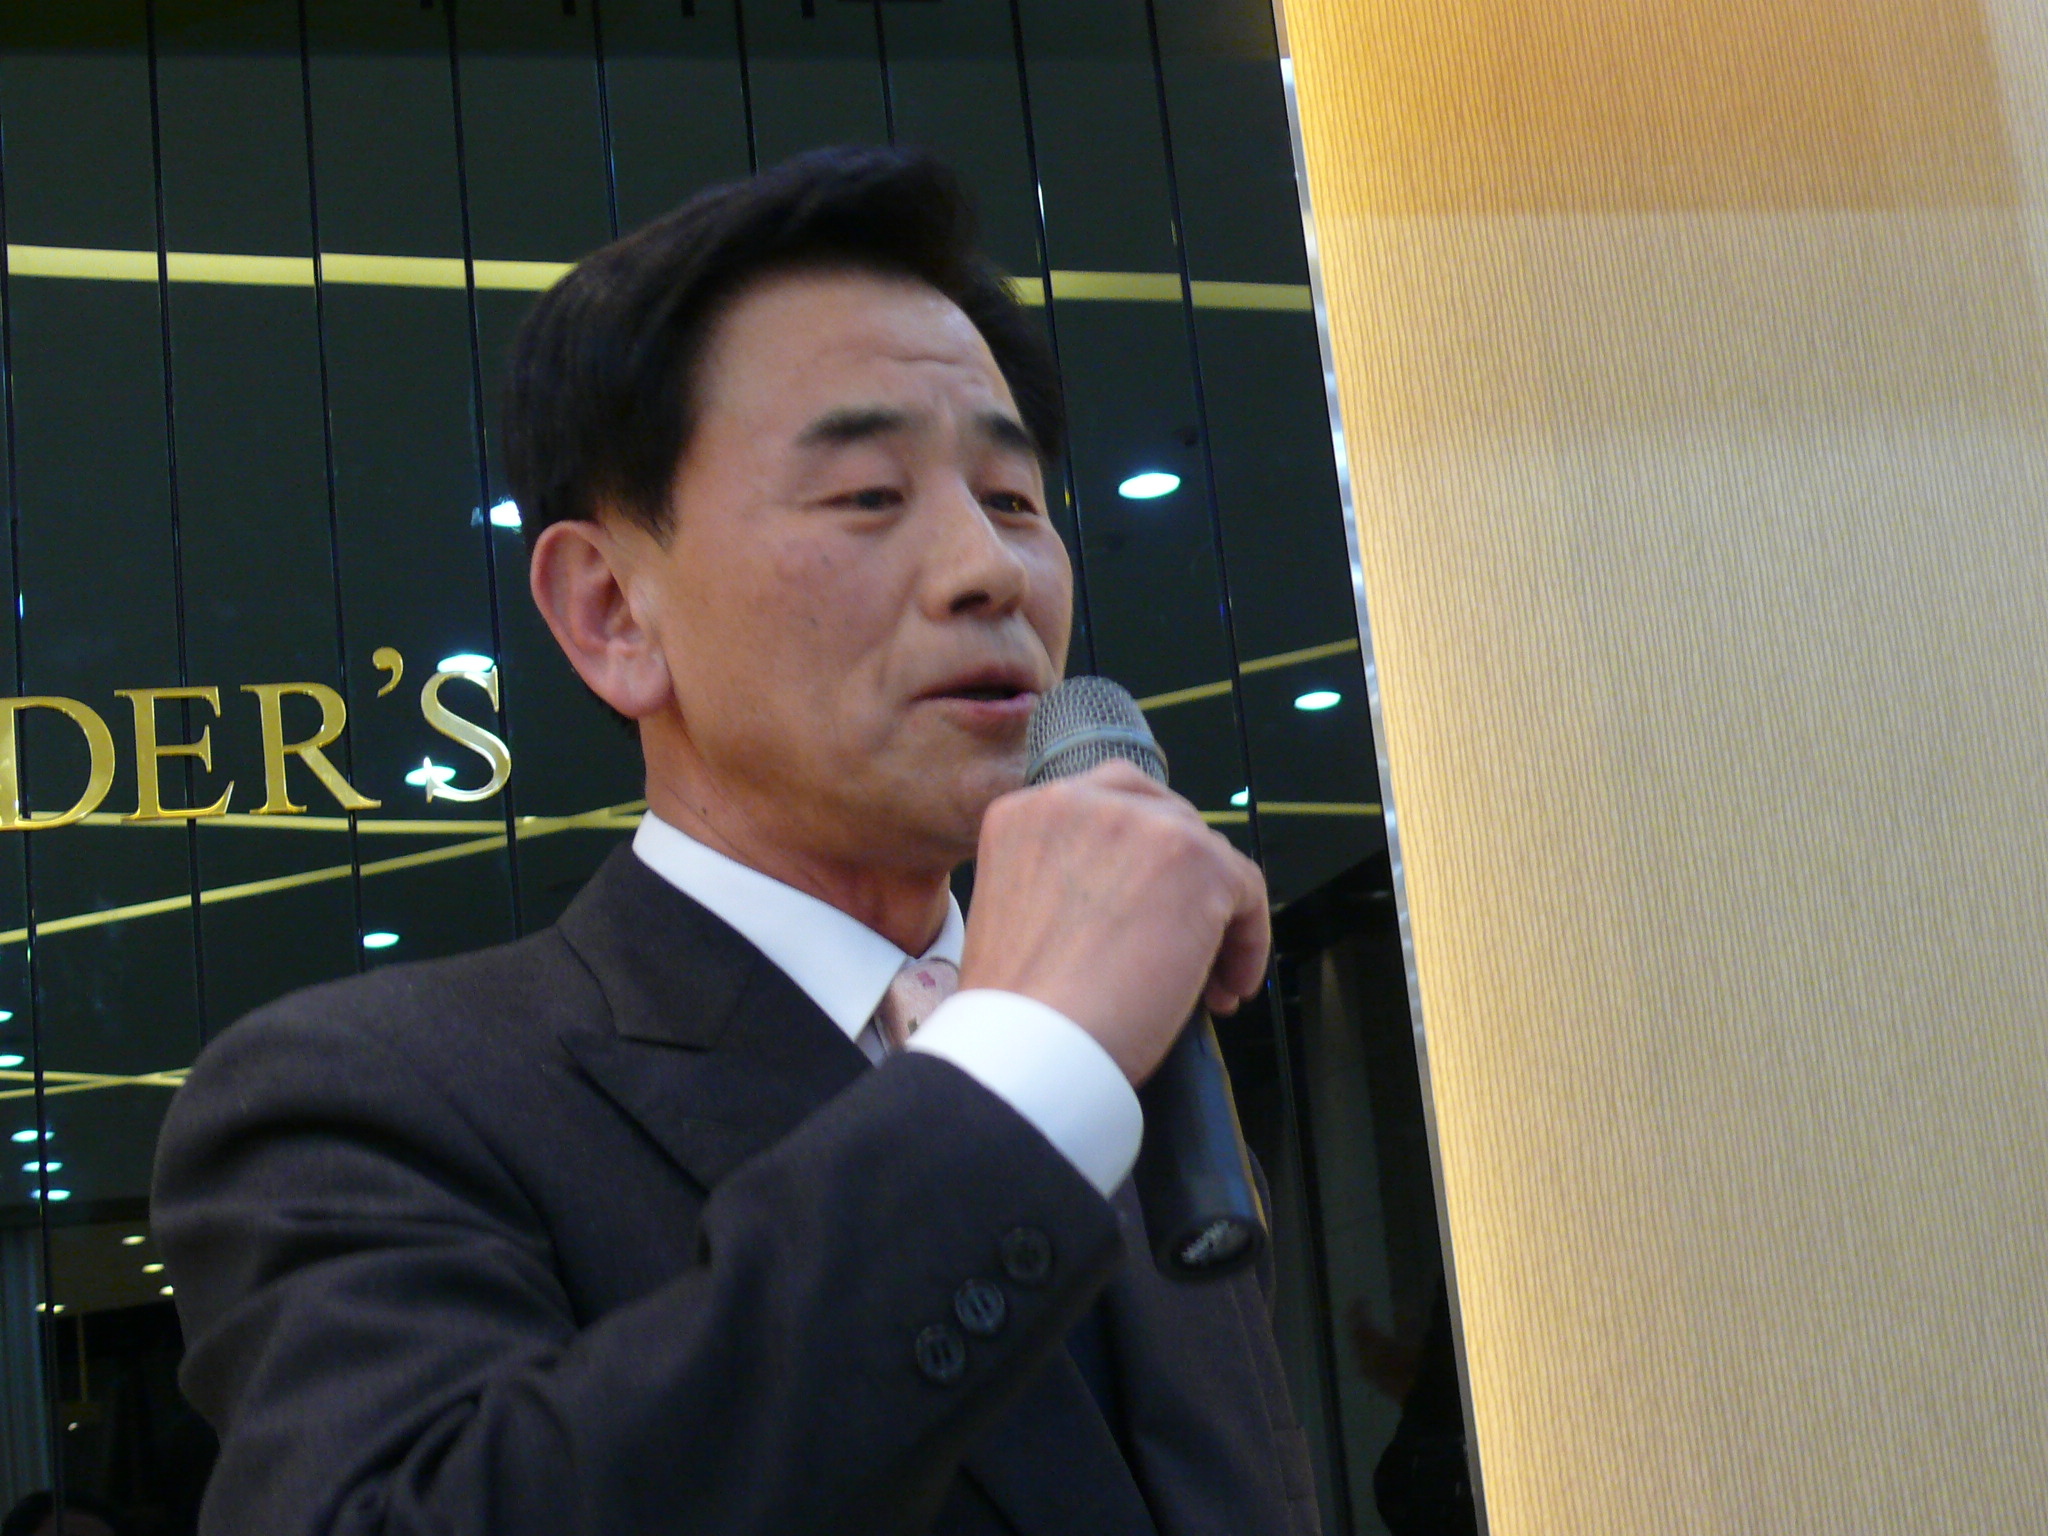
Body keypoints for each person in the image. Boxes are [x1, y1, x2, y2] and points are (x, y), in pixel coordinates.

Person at [153, 146, 1319, 1535]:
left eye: (1012, 501)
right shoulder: (371, 1101)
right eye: (868, 495)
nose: (990, 570)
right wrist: (1021, 1067)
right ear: (611, 612)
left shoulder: (1146, 1086)